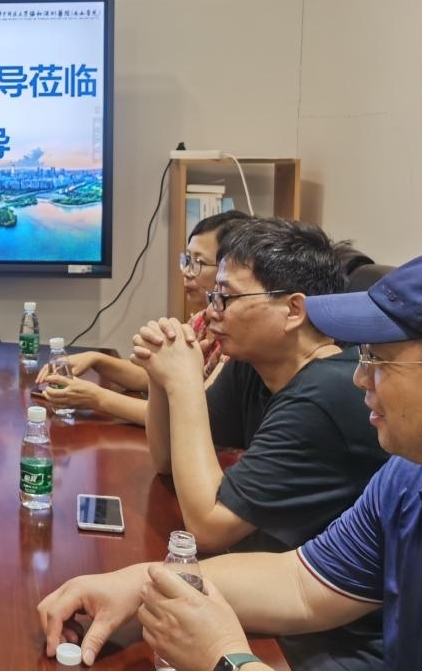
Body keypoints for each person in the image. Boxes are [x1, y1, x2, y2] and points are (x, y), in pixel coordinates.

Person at [38, 245, 422, 671]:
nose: (360, 378)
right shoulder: (412, 479)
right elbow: (301, 584)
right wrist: (141, 583)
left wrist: (224, 658)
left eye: (379, 360)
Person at [131, 217, 390, 668]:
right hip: (272, 589)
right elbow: (168, 461)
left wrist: (185, 383)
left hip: (327, 639)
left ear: (293, 309)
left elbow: (207, 525)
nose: (212, 310)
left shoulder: (326, 394)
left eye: (226, 297)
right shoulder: (254, 364)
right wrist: (160, 374)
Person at [36, 210, 251, 425]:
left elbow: (196, 418)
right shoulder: (201, 321)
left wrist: (95, 398)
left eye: (198, 262)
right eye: (187, 260)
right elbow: (151, 377)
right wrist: (96, 359)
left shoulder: (237, 343)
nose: (186, 271)